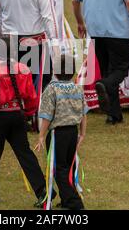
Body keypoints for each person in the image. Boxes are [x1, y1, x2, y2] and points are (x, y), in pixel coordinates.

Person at [0, 37, 50, 206]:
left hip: (0, 116)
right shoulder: (23, 69)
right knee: (25, 154)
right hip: (18, 115)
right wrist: (30, 112)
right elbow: (31, 96)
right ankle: (42, 191)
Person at [35, 54, 87, 210]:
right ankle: (66, 200)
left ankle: (74, 202)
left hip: (58, 134)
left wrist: (41, 136)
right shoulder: (77, 88)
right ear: (73, 72)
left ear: (54, 71)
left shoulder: (51, 89)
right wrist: (82, 133)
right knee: (68, 167)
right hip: (72, 133)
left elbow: (46, 115)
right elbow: (84, 113)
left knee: (59, 169)